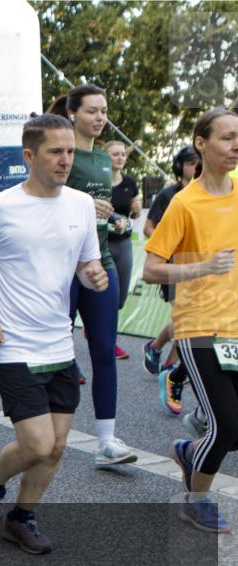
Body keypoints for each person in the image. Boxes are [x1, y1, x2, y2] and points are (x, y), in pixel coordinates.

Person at [0, 113, 110, 555]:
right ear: (29, 156)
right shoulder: (1, 207)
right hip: (13, 342)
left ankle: (22, 518)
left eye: (70, 152)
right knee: (37, 442)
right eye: (55, 152)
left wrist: (93, 274)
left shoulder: (80, 204)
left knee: (57, 447)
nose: (65, 160)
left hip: (58, 341)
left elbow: (86, 262)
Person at [144, 107, 238, 533]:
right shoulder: (184, 203)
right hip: (200, 328)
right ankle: (196, 500)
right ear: (202, 144)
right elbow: (150, 269)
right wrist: (201, 268)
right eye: (226, 137)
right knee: (226, 425)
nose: (235, 145)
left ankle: (187, 451)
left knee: (234, 430)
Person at [47, 84, 136, 466]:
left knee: (103, 351)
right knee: (54, 349)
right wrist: (84, 207)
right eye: (92, 111)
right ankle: (46, 432)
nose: (100, 118)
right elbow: (45, 204)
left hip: (101, 262)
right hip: (61, 267)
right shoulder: (60, 157)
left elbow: (103, 211)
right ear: (72, 114)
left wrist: (115, 220)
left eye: (104, 111)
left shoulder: (103, 159)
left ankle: (107, 441)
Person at [142, 147, 202, 419]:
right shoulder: (170, 195)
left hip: (210, 268)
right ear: (180, 167)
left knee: (189, 322)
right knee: (186, 320)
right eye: (190, 164)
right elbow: (148, 228)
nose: (194, 167)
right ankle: (171, 372)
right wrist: (170, 243)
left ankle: (157, 349)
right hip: (175, 264)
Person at [105, 140, 142, 360]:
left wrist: (136, 211)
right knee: (106, 295)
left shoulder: (130, 183)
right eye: (115, 154)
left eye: (122, 154)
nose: (120, 157)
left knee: (120, 299)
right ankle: (111, 341)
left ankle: (98, 331)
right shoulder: (98, 182)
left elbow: (135, 215)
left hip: (124, 242)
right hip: (102, 243)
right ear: (105, 157)